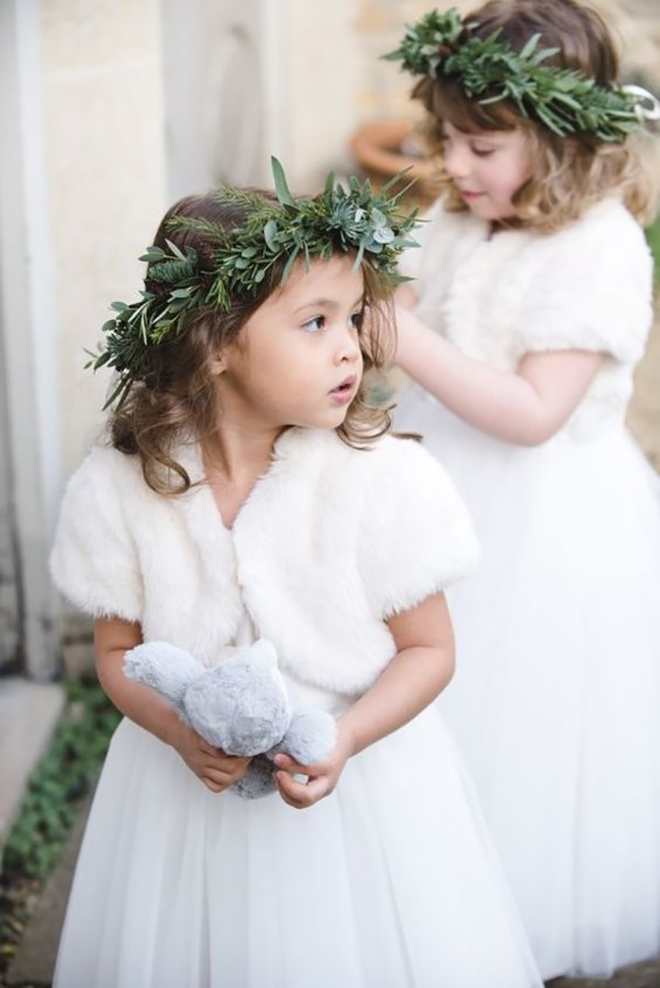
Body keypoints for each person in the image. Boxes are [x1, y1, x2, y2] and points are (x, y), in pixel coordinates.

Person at [49, 160, 542, 987]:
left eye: (353, 317)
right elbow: (117, 652)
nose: (351, 346)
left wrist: (344, 737)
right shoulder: (122, 484)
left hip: (356, 790)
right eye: (315, 323)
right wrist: (174, 731)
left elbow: (430, 650)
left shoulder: (381, 478)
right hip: (182, 803)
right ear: (214, 347)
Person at [386, 1, 660, 980]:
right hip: (433, 492)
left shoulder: (597, 248)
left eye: (484, 145)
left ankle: (505, 919)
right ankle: (422, 894)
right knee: (421, 701)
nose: (456, 165)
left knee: (522, 727)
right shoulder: (459, 215)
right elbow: (404, 303)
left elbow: (535, 410)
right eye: (447, 139)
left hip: (545, 529)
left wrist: (404, 339)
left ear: (560, 142)